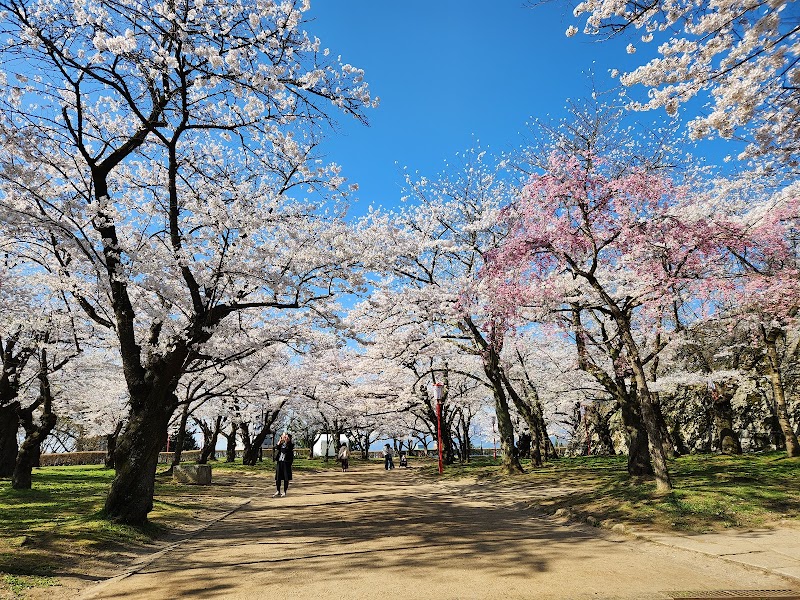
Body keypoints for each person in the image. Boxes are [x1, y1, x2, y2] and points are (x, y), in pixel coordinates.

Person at [273, 433, 294, 497]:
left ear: (290, 439)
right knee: (278, 478)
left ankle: (285, 491)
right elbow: (276, 447)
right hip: (280, 462)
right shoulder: (281, 444)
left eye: (287, 438)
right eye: (285, 437)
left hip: (286, 463)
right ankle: (278, 491)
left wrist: (282, 445)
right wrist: (280, 441)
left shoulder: (290, 445)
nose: (286, 438)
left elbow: (285, 450)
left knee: (286, 478)